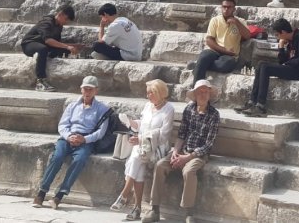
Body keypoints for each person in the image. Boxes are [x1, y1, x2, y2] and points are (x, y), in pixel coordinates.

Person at [146, 79, 219, 223]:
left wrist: (187, 157)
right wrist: (175, 151)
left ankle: (188, 213)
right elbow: (182, 134)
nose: (203, 95)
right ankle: (154, 209)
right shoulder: (189, 109)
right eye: (200, 92)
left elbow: (208, 145)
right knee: (160, 165)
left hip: (199, 154)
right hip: (183, 150)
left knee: (188, 171)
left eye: (206, 92)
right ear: (195, 94)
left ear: (209, 95)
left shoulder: (214, 115)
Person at [31, 76, 110, 209]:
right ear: (81, 89)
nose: (87, 92)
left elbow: (100, 132)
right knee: (57, 157)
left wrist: (84, 139)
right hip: (68, 138)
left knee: (80, 160)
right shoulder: (72, 106)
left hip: (86, 140)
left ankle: (59, 196)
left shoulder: (103, 109)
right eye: (85, 89)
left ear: (96, 90)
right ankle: (41, 193)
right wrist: (69, 137)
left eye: (90, 89)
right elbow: (62, 125)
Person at [112, 80, 175, 220]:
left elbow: (164, 135)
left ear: (159, 93)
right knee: (137, 160)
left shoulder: (169, 109)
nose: (148, 96)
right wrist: (131, 122)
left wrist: (141, 140)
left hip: (158, 149)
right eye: (147, 93)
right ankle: (136, 208)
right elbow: (142, 125)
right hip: (143, 147)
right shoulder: (148, 106)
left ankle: (125, 194)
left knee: (136, 157)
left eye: (151, 93)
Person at [237, 18, 299, 117]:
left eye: (277, 34)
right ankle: (252, 102)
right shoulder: (289, 41)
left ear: (283, 32)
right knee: (261, 64)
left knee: (266, 68)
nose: (277, 37)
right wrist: (281, 47)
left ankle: (260, 106)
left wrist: (286, 64)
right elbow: (282, 61)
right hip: (293, 68)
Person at [21, 5, 79, 93]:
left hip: (44, 45)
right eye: (66, 19)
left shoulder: (59, 26)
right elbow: (48, 40)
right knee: (43, 49)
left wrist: (71, 48)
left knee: (66, 50)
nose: (66, 22)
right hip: (29, 44)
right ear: (60, 14)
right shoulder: (46, 23)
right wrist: (67, 46)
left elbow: (57, 42)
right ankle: (40, 81)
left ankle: (47, 57)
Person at [192, 0, 250, 82]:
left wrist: (236, 22)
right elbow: (209, 40)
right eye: (224, 7)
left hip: (230, 56)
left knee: (225, 65)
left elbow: (247, 36)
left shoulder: (241, 21)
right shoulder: (215, 20)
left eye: (229, 7)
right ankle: (197, 86)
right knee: (204, 56)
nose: (226, 9)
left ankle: (199, 65)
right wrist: (225, 50)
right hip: (214, 51)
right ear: (221, 7)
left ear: (234, 9)